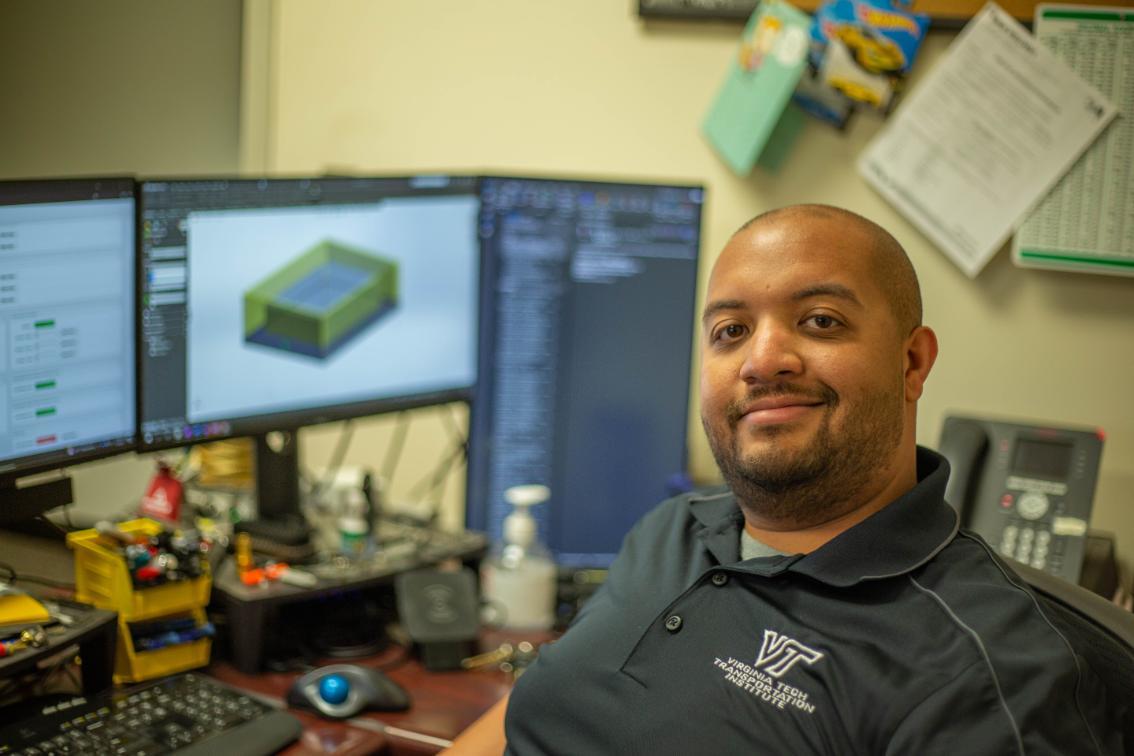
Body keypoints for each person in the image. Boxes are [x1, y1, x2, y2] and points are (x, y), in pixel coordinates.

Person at [444, 204, 1119, 754]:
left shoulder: (984, 672)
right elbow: (536, 710)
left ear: (912, 363)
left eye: (820, 321)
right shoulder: (672, 529)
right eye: (731, 330)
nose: (762, 360)